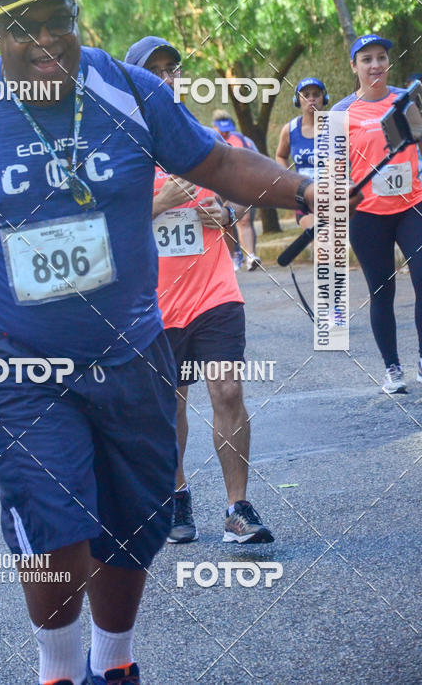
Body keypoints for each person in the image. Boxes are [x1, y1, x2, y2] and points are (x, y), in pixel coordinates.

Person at [0, 0, 335, 685]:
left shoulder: (130, 90)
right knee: (55, 521)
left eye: (59, 19)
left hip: (132, 354)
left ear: (77, 17)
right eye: (23, 28)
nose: (47, 40)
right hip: (15, 364)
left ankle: (113, 664)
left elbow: (216, 165)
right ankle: (57, 671)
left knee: (133, 523)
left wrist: (310, 191)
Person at [125, 36, 274, 546]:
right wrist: (159, 202)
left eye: (173, 68)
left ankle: (237, 508)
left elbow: (247, 191)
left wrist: (227, 212)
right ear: (135, 82)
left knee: (227, 389)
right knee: (170, 405)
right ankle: (176, 495)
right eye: (155, 70)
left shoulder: (205, 140)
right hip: (155, 302)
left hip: (215, 290)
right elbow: (100, 224)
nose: (167, 78)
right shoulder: (121, 149)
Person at [333, 34, 422, 395]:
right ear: (354, 67)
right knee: (382, 291)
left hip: (412, 206)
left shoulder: (405, 100)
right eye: (366, 59)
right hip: (368, 215)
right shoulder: (340, 113)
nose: (375, 65)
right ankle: (392, 368)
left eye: (381, 57)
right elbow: (333, 171)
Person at [276, 77, 329, 231]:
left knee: (334, 240)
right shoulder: (290, 129)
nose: (311, 99)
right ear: (297, 101)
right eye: (306, 95)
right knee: (318, 235)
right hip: (304, 198)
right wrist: (290, 180)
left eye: (316, 94)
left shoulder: (336, 125)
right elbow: (280, 156)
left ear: (324, 98)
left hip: (332, 195)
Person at [212, 109, 261, 270]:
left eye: (228, 129)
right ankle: (233, 257)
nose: (225, 133)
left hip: (243, 187)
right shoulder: (208, 139)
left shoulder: (243, 140)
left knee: (245, 221)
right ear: (214, 126)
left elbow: (257, 161)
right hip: (219, 189)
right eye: (221, 129)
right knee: (226, 223)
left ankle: (251, 256)